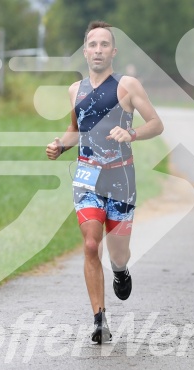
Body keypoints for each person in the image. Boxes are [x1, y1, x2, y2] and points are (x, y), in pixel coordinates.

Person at [46, 21, 163, 343]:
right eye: (92, 44)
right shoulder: (76, 90)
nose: (98, 50)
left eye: (104, 45)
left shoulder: (127, 85)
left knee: (118, 252)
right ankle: (99, 320)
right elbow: (76, 128)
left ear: (113, 51)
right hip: (86, 175)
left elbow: (156, 123)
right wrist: (61, 145)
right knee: (90, 244)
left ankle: (121, 271)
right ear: (85, 51)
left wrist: (132, 133)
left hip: (121, 177)